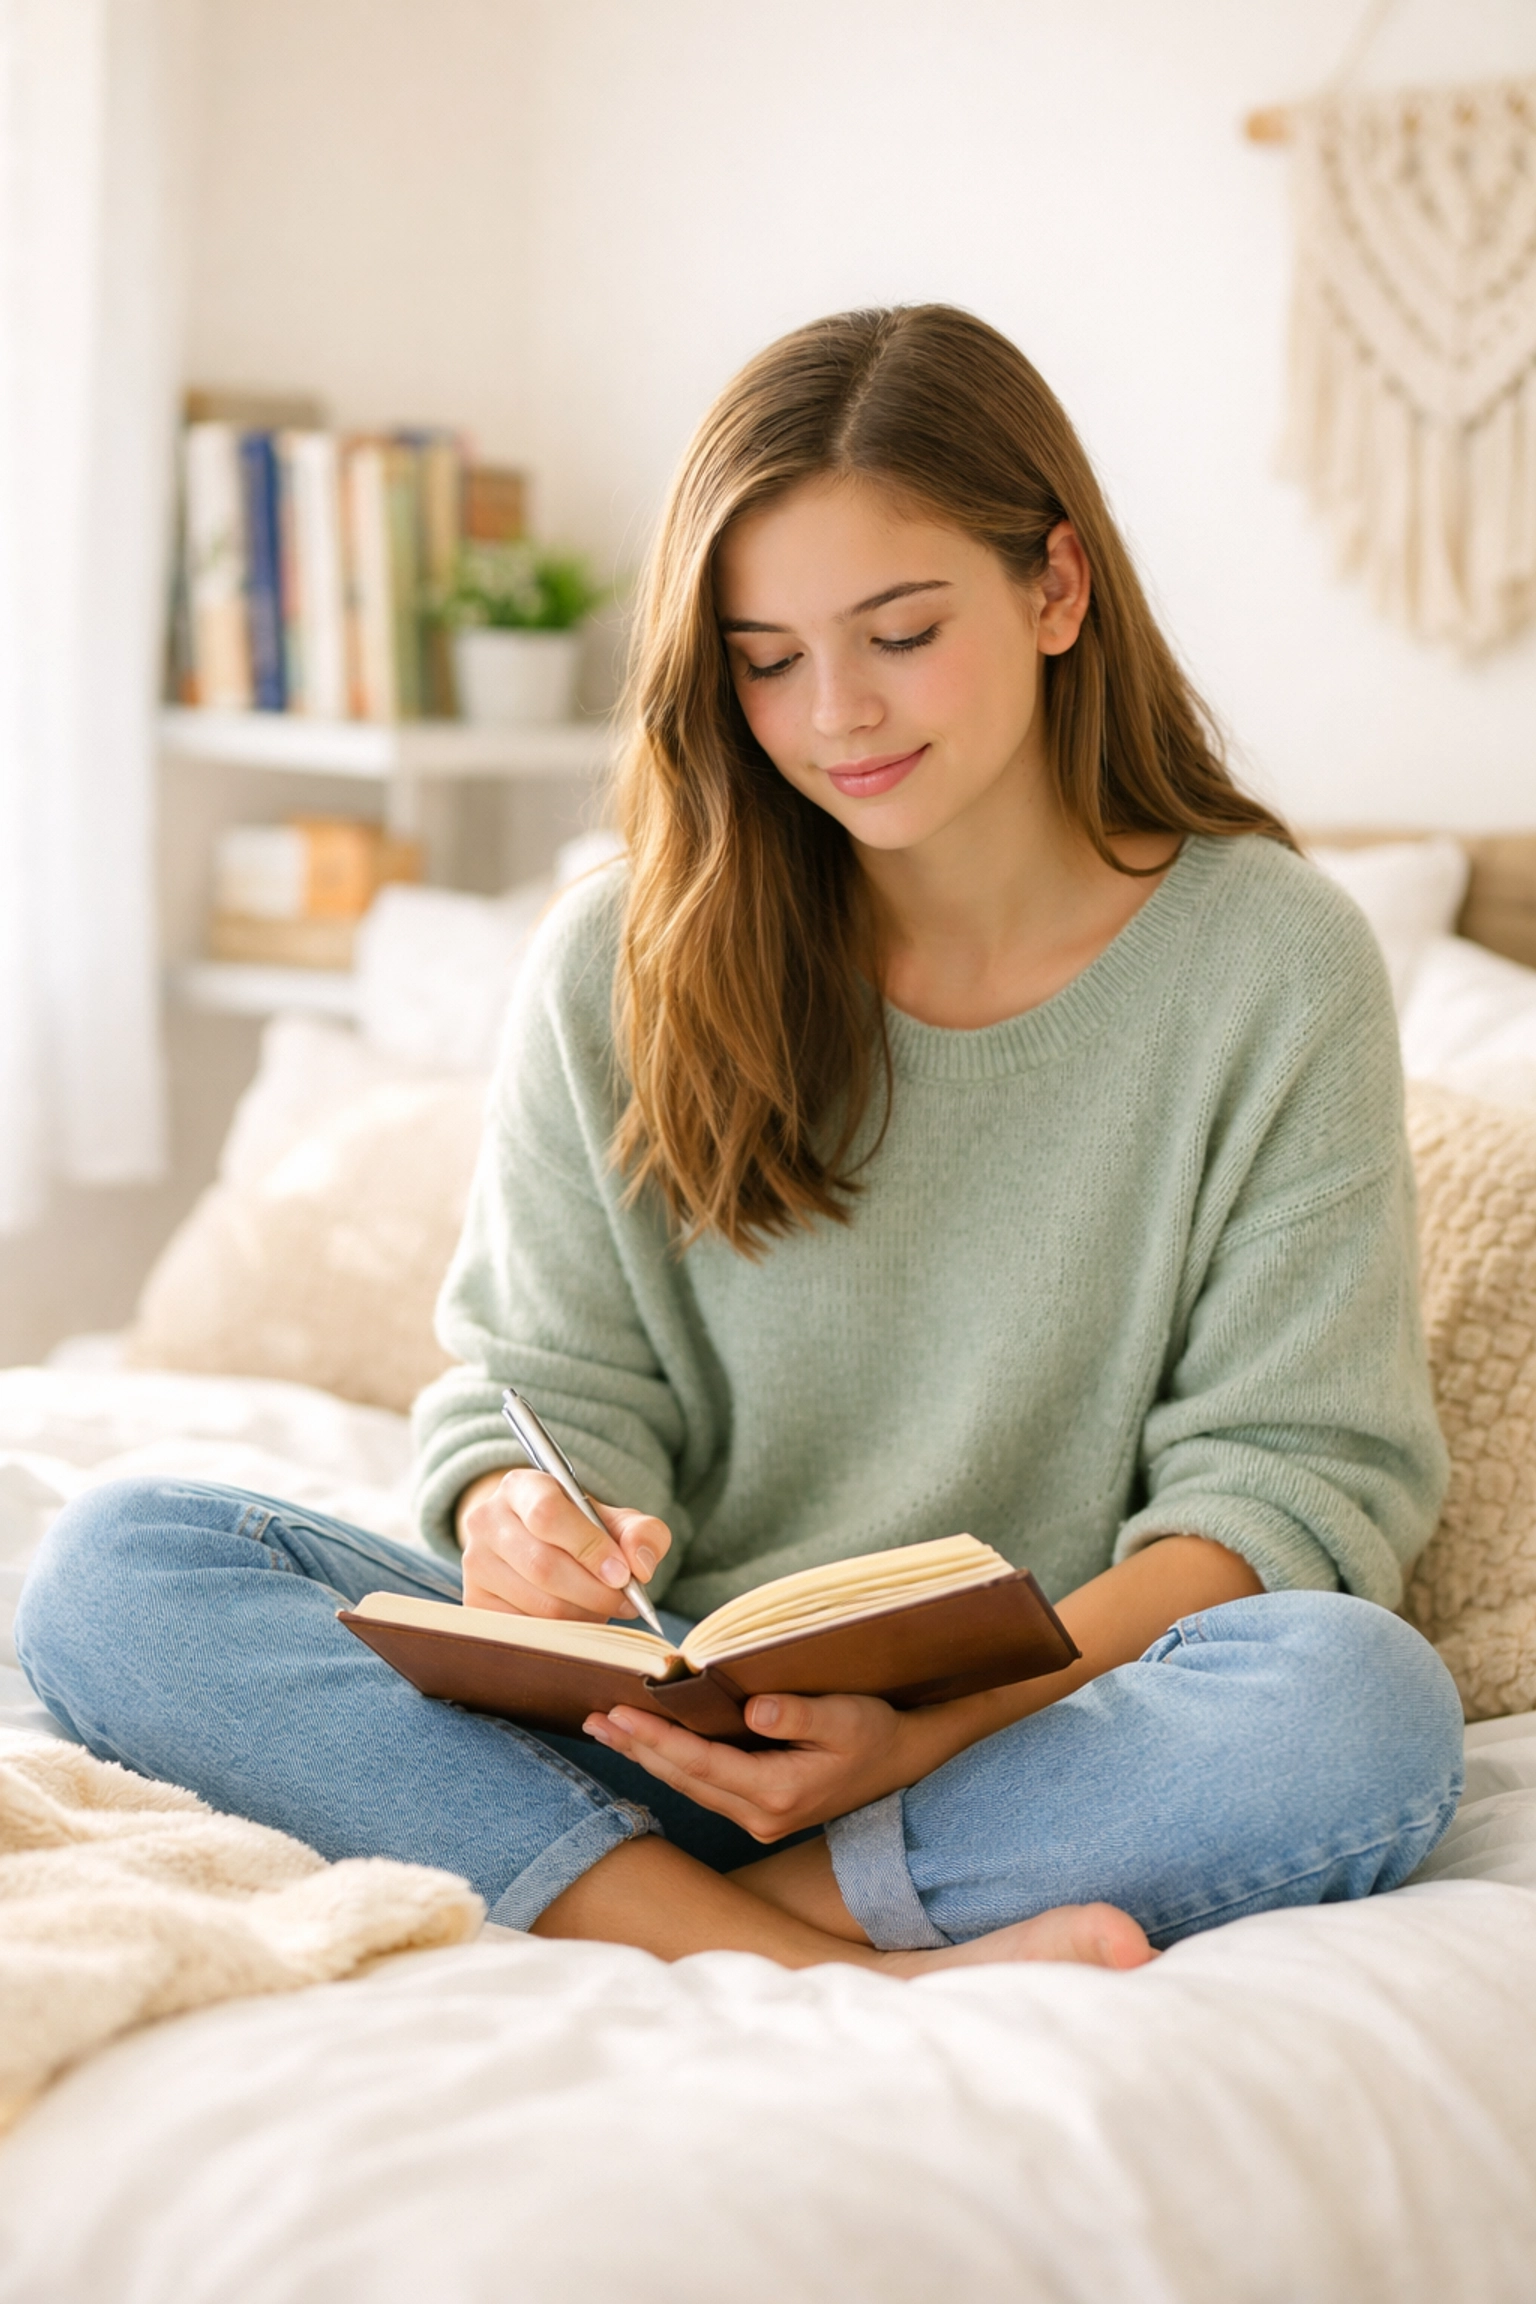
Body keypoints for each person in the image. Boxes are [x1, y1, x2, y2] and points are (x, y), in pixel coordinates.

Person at [18, 305, 1464, 1978]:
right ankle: (798, 1956)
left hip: (1021, 1737)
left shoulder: (1272, 960)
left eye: (900, 633)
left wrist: (929, 1729)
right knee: (122, 1562)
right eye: (766, 659)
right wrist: (522, 1518)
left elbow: (1289, 1486)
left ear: (1056, 588)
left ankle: (685, 1917)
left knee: (1361, 1698)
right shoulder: (621, 954)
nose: (834, 713)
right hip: (650, 1720)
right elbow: (539, 1398)